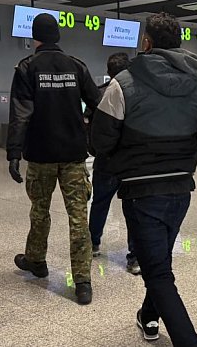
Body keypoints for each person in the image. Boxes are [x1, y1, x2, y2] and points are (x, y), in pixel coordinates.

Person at [92, 12, 197, 346]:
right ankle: (148, 316)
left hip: (142, 190)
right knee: (161, 260)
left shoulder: (123, 83)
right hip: (180, 188)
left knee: (158, 272)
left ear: (146, 42)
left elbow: (100, 141)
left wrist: (122, 163)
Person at [6, 13, 102, 305]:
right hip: (73, 155)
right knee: (78, 217)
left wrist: (13, 152)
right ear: (57, 36)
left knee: (40, 211)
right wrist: (85, 124)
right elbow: (98, 103)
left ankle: (37, 260)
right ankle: (82, 281)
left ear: (34, 37)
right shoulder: (77, 66)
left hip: (41, 155)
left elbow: (21, 114)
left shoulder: (27, 68)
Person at [84, 52, 140, 275]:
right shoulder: (138, 92)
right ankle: (134, 258)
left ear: (108, 71)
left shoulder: (99, 93)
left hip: (106, 160)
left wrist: (94, 150)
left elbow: (88, 123)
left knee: (100, 204)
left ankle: (93, 244)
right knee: (133, 209)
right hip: (131, 162)